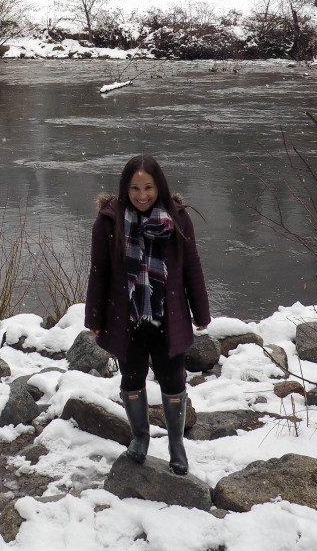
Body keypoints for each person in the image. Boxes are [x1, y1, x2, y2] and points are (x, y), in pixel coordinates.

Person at [85, 154, 210, 475]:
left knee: (173, 381)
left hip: (170, 317)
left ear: (160, 187)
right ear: (125, 188)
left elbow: (192, 267)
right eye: (135, 188)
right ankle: (140, 437)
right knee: (131, 378)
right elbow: (98, 273)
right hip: (126, 319)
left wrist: (201, 312)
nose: (142, 195)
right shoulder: (109, 221)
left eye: (149, 188)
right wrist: (94, 320)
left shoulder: (179, 219)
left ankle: (176, 445)